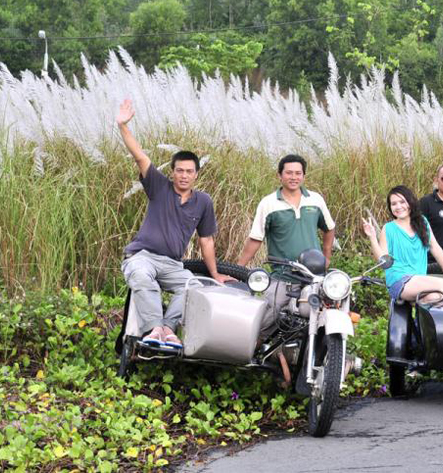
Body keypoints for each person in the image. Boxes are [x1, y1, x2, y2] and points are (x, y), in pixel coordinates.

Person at [116, 99, 227, 352]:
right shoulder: (159, 186)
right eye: (179, 170)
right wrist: (123, 125)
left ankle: (166, 329)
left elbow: (206, 240)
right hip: (142, 257)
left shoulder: (203, 202)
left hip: (172, 265)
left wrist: (216, 273)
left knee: (194, 288)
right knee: (142, 277)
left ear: (197, 174)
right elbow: (140, 156)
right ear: (173, 172)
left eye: (189, 171)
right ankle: (154, 328)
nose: (184, 175)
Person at [363, 186, 443, 302]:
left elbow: (435, 247)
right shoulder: (388, 229)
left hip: (418, 279)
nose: (398, 207)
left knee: (435, 297)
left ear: (410, 202)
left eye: (402, 202)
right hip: (399, 279)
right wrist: (372, 237)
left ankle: (419, 320)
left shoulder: (422, 222)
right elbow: (383, 260)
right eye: (394, 204)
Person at [236, 154, 336, 267]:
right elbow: (256, 239)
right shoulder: (268, 203)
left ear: (304, 176)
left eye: (298, 173)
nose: (293, 177)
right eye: (289, 173)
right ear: (279, 175)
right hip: (282, 275)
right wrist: (238, 269)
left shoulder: (315, 199)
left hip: (314, 275)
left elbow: (329, 228)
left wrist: (326, 258)